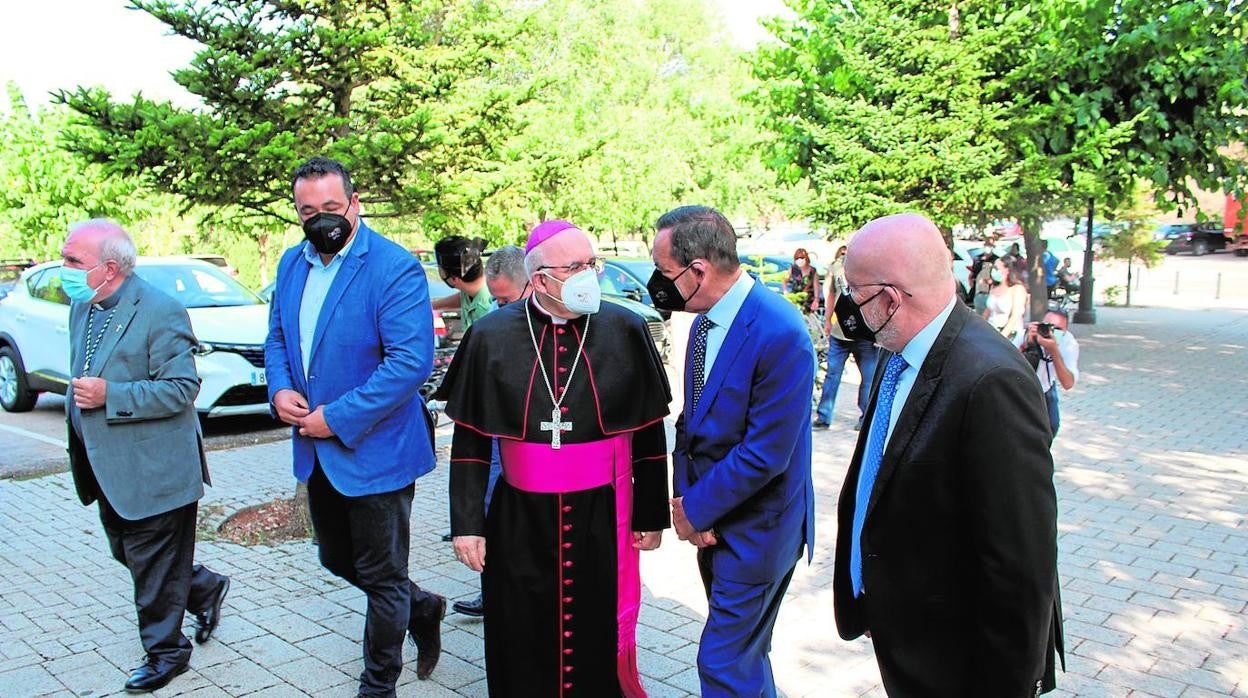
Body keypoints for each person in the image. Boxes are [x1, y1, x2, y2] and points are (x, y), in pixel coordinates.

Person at [831, 213, 1062, 696]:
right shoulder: (902, 352)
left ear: (891, 298)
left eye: (853, 291)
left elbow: (1019, 563)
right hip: (907, 631)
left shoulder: (991, 380)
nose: (845, 304)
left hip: (958, 662)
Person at [438, 220, 671, 696]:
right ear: (541, 278)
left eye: (592, 264)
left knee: (594, 629)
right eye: (576, 267)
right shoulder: (490, 335)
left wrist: (650, 512)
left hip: (600, 516)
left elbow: (647, 432)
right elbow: (471, 443)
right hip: (518, 519)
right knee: (520, 631)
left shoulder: (624, 328)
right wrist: (467, 525)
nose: (590, 275)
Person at [264, 156, 446, 695]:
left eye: (330, 207)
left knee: (382, 576)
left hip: (378, 449)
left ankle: (378, 683)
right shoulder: (291, 264)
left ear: (354, 204)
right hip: (317, 448)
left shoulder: (392, 266)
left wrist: (336, 418)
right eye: (307, 210)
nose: (320, 219)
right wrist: (279, 390)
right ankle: (422, 606)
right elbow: (277, 337)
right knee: (336, 557)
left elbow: (411, 361)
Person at [648, 205, 815, 698]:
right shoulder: (703, 322)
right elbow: (691, 425)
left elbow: (765, 453)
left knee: (723, 661)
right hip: (716, 523)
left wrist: (696, 509)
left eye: (664, 272)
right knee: (743, 655)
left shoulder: (780, 331)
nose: (659, 283)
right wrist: (689, 504)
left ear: (698, 271)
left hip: (758, 530)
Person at [61, 219, 230, 694]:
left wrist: (110, 395)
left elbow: (182, 389)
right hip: (108, 468)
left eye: (74, 261)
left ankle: (167, 651)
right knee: (129, 552)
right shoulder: (84, 305)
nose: (64, 269)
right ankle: (201, 586)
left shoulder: (160, 310)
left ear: (109, 267)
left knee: (151, 566)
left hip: (157, 469)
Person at [446, 245, 531, 619]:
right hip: (495, 441)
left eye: (506, 300)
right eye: (495, 302)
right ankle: (494, 590)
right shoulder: (494, 332)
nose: (499, 310)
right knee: (490, 506)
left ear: (532, 286)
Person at [815, 248, 879, 430]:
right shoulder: (836, 268)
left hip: (864, 334)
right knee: (832, 374)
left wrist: (877, 330)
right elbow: (830, 295)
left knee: (868, 377)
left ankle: (865, 418)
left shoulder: (871, 267)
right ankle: (824, 416)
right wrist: (827, 320)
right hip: (839, 333)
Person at [1019, 308, 1080, 437]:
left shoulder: (1068, 343)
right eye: (1047, 327)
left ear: (1065, 331)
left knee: (1052, 426)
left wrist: (1054, 351)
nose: (1050, 332)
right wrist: (1027, 344)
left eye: (1057, 329)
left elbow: (1068, 383)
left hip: (1046, 387)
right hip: (1022, 389)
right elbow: (1005, 362)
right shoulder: (1026, 334)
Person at [433, 236, 493, 328]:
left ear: (454, 279)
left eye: (440, 269)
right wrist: (432, 305)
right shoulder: (471, 290)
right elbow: (461, 298)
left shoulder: (487, 309)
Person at [984, 257, 1028, 338]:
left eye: (996, 268)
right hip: (991, 332)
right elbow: (988, 311)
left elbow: (1015, 316)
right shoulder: (994, 287)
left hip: (1010, 335)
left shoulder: (1017, 289)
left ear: (1007, 270)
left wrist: (1002, 337)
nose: (993, 270)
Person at [783, 247, 821, 314]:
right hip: (795, 299)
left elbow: (816, 287)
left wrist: (816, 299)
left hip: (808, 301)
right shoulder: (792, 269)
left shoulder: (813, 271)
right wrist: (786, 292)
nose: (799, 260)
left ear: (806, 258)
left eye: (801, 258)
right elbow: (785, 280)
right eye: (797, 258)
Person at [968, 237, 999, 314]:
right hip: (978, 291)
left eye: (990, 245)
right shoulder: (977, 259)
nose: (988, 247)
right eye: (987, 244)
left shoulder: (996, 259)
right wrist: (971, 280)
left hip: (990, 292)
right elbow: (972, 273)